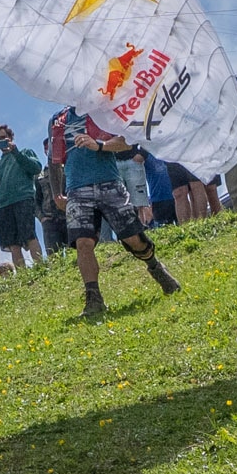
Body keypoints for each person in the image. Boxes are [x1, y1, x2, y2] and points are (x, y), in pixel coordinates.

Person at [58, 113, 179, 321]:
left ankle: (156, 267)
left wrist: (99, 145)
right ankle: (93, 297)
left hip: (109, 183)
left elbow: (126, 144)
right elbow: (55, 159)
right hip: (77, 189)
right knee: (83, 243)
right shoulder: (58, 121)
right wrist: (55, 192)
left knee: (133, 239)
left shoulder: (102, 111)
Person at [0, 123, 45, 269]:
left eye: (4, 137)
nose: (2, 141)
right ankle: (23, 274)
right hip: (3, 205)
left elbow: (36, 168)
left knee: (29, 236)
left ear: (11, 137)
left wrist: (16, 152)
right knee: (13, 244)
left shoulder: (25, 152)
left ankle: (41, 268)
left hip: (23, 199)